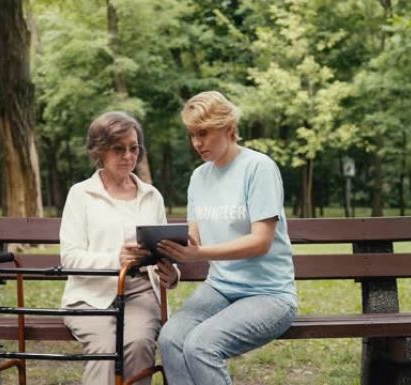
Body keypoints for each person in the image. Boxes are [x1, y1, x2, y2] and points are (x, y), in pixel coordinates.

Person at [157, 91, 297, 385]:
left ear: (228, 128)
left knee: (201, 346)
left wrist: (201, 254)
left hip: (269, 295)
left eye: (204, 133)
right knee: (171, 339)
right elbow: (193, 239)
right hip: (220, 288)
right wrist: (168, 256)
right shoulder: (198, 177)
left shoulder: (259, 168)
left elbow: (261, 241)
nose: (197, 143)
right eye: (193, 134)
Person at [59, 111, 179, 385]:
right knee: (103, 349)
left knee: (138, 343)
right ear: (99, 151)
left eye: (134, 148)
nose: (128, 156)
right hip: (90, 296)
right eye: (119, 149)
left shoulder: (152, 196)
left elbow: (167, 252)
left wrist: (171, 274)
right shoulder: (81, 194)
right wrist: (116, 259)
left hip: (141, 293)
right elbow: (70, 258)